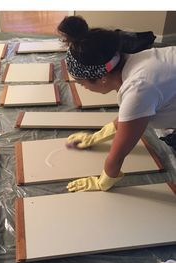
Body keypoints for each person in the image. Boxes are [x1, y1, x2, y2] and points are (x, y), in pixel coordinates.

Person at [57, 16, 176, 193]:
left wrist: (103, 181)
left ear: (102, 79)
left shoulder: (138, 88)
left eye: (82, 83)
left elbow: (119, 153)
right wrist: (97, 137)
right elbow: (129, 118)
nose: (83, 88)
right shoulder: (131, 61)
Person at [58, 15, 156, 54]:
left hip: (132, 47)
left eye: (64, 36)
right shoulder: (87, 36)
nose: (62, 39)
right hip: (122, 38)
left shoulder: (87, 47)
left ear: (73, 35)